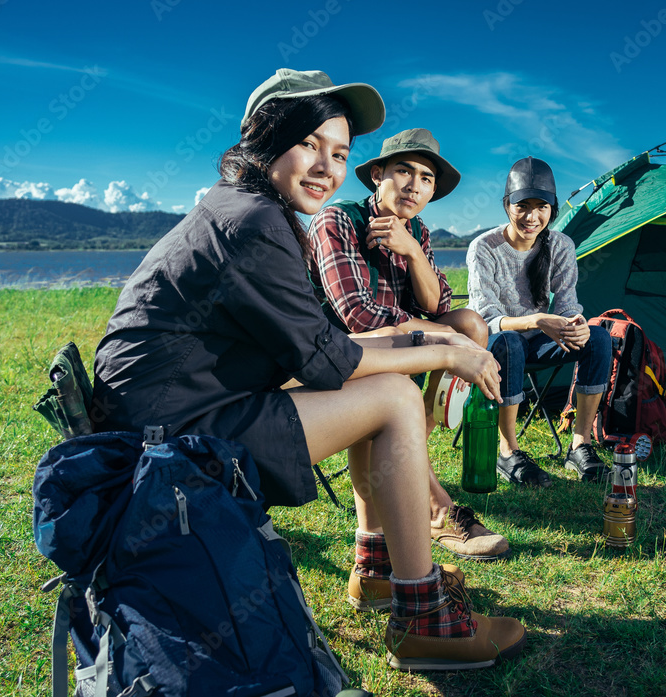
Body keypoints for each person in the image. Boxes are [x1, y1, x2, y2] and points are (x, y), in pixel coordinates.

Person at [91, 68, 526, 672]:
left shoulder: (246, 209)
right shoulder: (256, 223)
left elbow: (320, 345)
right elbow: (327, 358)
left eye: (340, 153)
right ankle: (424, 622)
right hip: (166, 446)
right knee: (397, 397)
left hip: (176, 414)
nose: (327, 166)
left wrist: (421, 335)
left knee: (386, 384)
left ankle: (378, 568)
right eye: (309, 144)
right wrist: (450, 351)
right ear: (265, 141)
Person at [308, 128, 509, 562]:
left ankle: (403, 459)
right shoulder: (337, 220)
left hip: (400, 347)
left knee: (472, 324)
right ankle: (436, 507)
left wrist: (414, 251)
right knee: (449, 337)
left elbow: (436, 303)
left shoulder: (417, 228)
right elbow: (356, 317)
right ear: (377, 175)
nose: (415, 185)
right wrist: (439, 337)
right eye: (404, 171)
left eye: (426, 178)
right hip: (342, 356)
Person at [467, 156, 612, 487]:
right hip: (497, 344)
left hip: (543, 340)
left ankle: (581, 445)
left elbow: (567, 302)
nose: (532, 217)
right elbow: (487, 318)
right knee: (511, 343)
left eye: (542, 207)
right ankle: (508, 451)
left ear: (553, 208)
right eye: (523, 206)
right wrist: (538, 320)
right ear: (507, 205)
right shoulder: (484, 247)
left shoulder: (561, 245)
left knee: (599, 339)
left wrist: (573, 322)